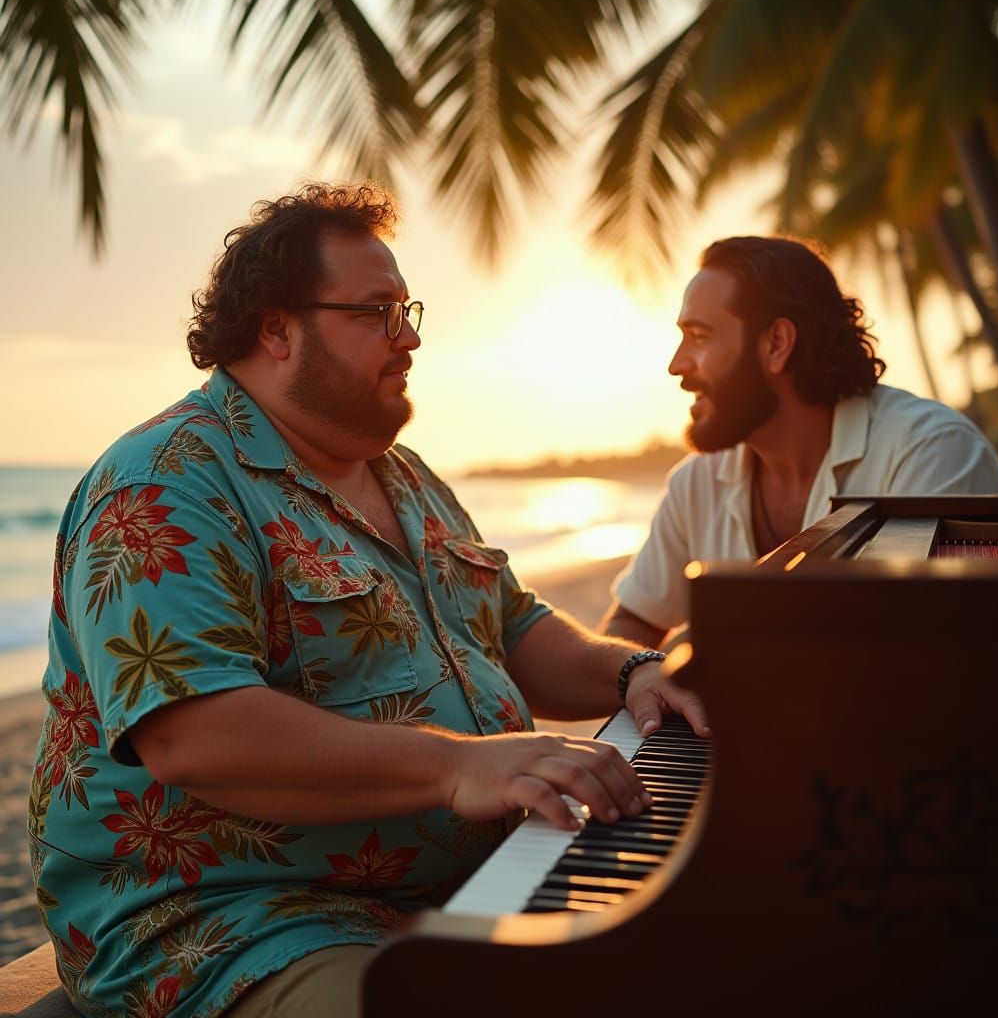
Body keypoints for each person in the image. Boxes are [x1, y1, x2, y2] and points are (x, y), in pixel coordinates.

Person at [28, 183, 706, 1018]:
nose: (410, 336)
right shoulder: (165, 482)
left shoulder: (404, 475)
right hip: (232, 922)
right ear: (277, 328)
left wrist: (630, 671)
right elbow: (197, 736)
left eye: (408, 309)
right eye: (379, 312)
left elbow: (512, 624)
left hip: (466, 881)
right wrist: (460, 765)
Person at [601, 235, 998, 648]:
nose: (676, 365)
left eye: (699, 336)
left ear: (776, 344)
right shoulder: (695, 484)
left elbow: (923, 658)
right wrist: (640, 676)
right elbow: (631, 623)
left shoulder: (930, 453)